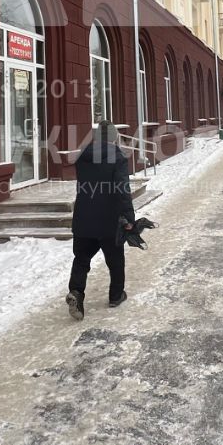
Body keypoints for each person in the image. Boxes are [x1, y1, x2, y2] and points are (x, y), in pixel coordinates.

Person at [66, 120, 135, 320]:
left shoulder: (82, 156)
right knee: (115, 259)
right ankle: (116, 295)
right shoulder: (117, 157)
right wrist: (128, 217)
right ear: (114, 137)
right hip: (109, 219)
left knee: (81, 259)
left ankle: (76, 292)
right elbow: (122, 189)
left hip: (83, 218)